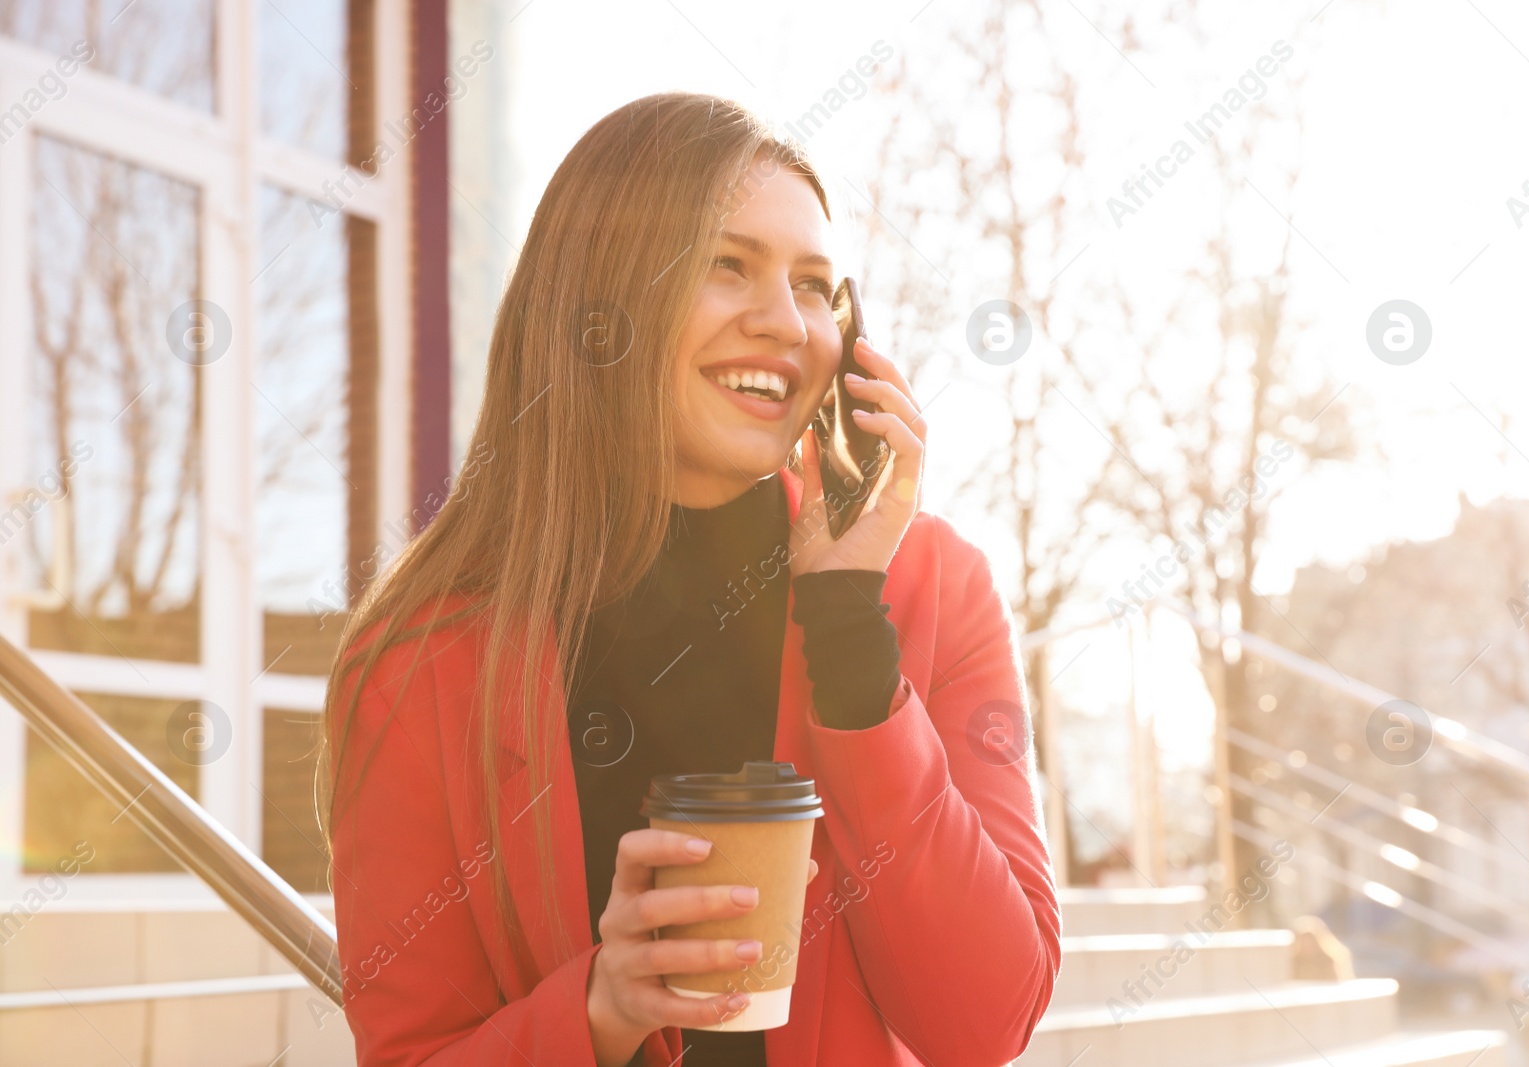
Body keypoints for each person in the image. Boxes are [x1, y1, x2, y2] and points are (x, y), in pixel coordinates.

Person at [319, 91, 1060, 1067]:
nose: (784, 323)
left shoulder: (929, 587)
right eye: (727, 263)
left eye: (811, 284)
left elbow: (983, 1020)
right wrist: (597, 1008)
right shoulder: (422, 660)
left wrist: (849, 636)